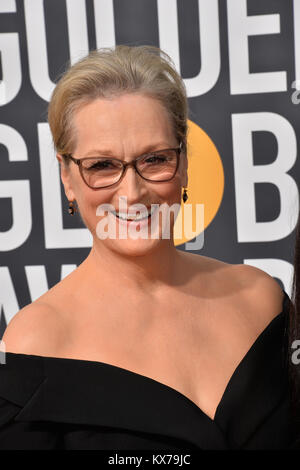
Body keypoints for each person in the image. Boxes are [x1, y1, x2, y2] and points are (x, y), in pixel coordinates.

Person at [0, 45, 295, 450]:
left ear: (184, 162)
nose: (133, 192)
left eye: (154, 159)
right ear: (67, 178)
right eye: (102, 166)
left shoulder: (262, 300)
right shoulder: (34, 344)